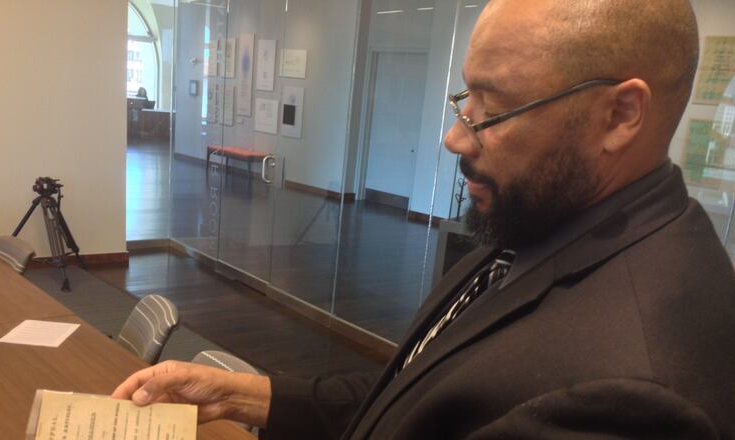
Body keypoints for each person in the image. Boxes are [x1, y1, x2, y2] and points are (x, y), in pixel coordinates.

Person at [112, 0, 735, 438]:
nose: (455, 138)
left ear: (620, 116)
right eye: (467, 98)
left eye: (494, 109)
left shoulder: (638, 392)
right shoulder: (544, 222)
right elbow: (425, 398)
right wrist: (247, 394)